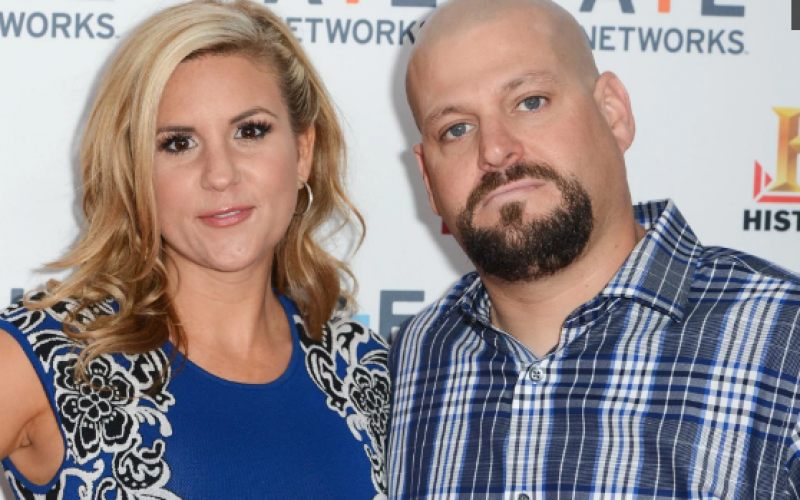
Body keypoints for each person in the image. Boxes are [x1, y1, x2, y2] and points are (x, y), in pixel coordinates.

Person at [387, 0, 800, 498]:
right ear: (428, 178)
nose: (494, 149)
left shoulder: (785, 338)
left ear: (613, 113)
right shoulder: (412, 360)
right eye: (456, 128)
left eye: (530, 102)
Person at [0, 1, 389, 499]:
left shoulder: (362, 367)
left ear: (302, 152)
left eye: (250, 131)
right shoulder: (53, 353)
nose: (220, 174)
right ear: (133, 171)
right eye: (178, 143)